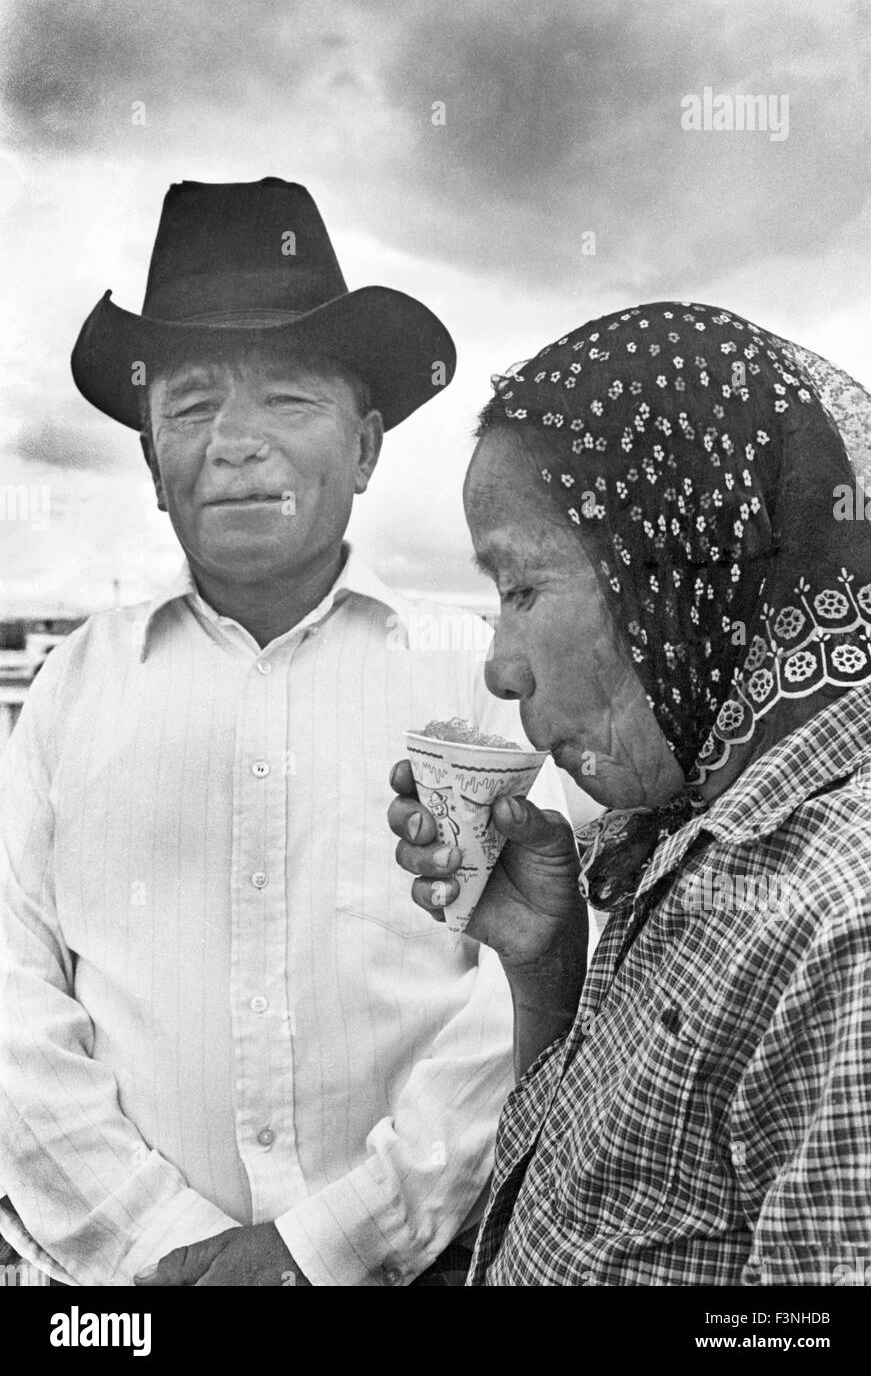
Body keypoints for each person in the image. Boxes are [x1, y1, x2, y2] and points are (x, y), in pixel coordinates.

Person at [0, 178, 563, 1287]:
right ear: (153, 464)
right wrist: (161, 1251)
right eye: (194, 404)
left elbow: (530, 985)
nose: (237, 444)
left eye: (289, 401)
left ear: (362, 450)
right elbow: (11, 990)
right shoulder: (73, 686)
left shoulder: (484, 674)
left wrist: (330, 1246)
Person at [389, 301, 871, 1286]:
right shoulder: (699, 828)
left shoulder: (849, 924)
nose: (497, 668)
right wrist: (544, 966)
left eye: (522, 589)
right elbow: (613, 1207)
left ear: (685, 574)